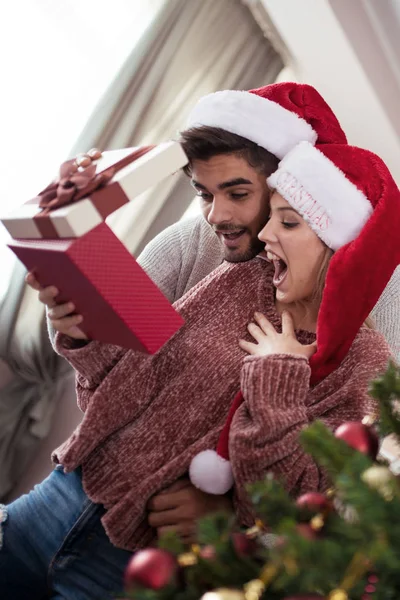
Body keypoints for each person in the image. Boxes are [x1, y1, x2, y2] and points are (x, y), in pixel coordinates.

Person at [2, 134, 400, 600]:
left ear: (340, 246)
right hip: (60, 496)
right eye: (271, 218)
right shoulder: (239, 275)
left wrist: (276, 380)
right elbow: (125, 382)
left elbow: (293, 506)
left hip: (139, 567)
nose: (266, 234)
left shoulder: (367, 364)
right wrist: (83, 327)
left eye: (287, 223)